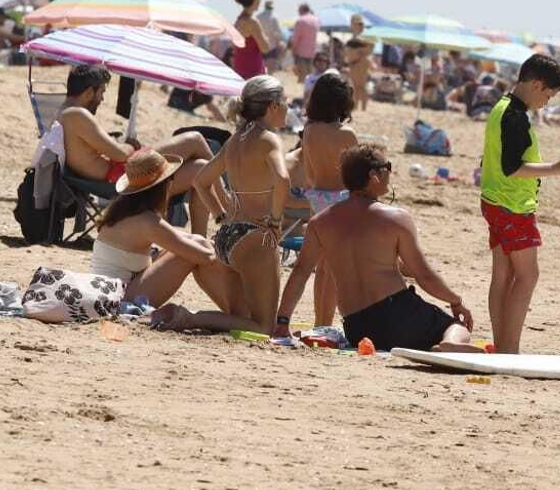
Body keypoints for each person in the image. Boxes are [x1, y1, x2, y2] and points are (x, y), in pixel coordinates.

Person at [274, 145, 476, 352]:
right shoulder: (396, 218)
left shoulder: (320, 222)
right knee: (456, 327)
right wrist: (456, 301)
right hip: (398, 314)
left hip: (357, 327)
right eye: (386, 167)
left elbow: (300, 273)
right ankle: (450, 343)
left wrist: (282, 321)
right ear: (373, 176)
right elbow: (423, 275)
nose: (390, 172)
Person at [171, 76, 291, 333]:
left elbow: (201, 181)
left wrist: (219, 215)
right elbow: (282, 178)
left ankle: (191, 317)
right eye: (286, 103)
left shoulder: (236, 140)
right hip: (256, 236)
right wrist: (276, 220)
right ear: (272, 106)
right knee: (263, 327)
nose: (288, 109)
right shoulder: (269, 139)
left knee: (242, 320)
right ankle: (191, 318)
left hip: (227, 236)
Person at [480, 55, 560, 353]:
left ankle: (502, 346)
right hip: (512, 204)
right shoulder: (515, 117)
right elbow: (514, 167)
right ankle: (509, 349)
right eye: (548, 95)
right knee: (527, 275)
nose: (547, 103)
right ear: (536, 84)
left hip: (495, 199)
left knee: (503, 274)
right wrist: (557, 168)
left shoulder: (501, 107)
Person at [56, 65, 222, 233]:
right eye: (102, 92)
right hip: (124, 176)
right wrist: (128, 145)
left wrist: (118, 143)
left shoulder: (64, 113)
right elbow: (120, 154)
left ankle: (200, 239)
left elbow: (97, 150)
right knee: (195, 139)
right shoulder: (76, 114)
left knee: (200, 168)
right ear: (89, 93)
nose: (102, 99)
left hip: (121, 173)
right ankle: (227, 202)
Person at [90, 148, 246, 318]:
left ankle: (239, 311)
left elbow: (185, 239)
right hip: (117, 299)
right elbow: (205, 257)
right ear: (160, 186)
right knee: (193, 254)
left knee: (197, 243)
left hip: (110, 290)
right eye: (171, 178)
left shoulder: (123, 211)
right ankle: (241, 314)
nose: (172, 182)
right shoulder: (147, 221)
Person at [293, 72, 361, 326]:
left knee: (321, 267)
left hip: (316, 199)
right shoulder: (347, 134)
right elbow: (355, 175)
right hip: (341, 201)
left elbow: (309, 172)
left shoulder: (309, 130)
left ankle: (319, 323)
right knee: (334, 270)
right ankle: (326, 325)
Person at [227, 0, 269, 80]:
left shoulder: (238, 20)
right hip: (254, 74)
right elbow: (265, 48)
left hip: (240, 71)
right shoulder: (252, 22)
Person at [343, 14, 373, 111]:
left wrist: (358, 51)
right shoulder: (356, 34)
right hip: (354, 63)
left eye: (354, 23)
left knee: (361, 86)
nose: (352, 25)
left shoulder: (366, 34)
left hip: (361, 62)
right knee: (355, 86)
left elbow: (370, 48)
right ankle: (356, 107)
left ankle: (363, 108)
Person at [291, 4, 320, 77]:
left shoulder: (300, 20)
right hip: (312, 52)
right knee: (311, 76)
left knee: (302, 77)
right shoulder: (316, 20)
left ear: (302, 10)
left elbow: (295, 39)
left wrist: (293, 50)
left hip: (301, 52)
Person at [258, 0, 285, 71]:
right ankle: (279, 65)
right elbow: (278, 34)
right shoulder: (274, 18)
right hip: (271, 46)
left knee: (261, 70)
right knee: (270, 71)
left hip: (260, 46)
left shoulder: (258, 17)